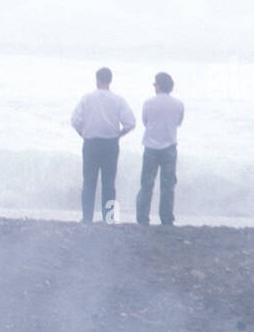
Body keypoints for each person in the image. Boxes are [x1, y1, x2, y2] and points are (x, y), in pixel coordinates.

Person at [71, 67, 135, 223]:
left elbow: (75, 121)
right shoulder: (118, 100)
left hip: (91, 142)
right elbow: (130, 123)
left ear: (97, 80)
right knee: (109, 182)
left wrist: (83, 133)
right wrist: (119, 135)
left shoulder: (87, 98)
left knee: (89, 181)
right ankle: (109, 218)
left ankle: (87, 218)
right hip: (110, 143)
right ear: (110, 80)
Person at [136, 72, 184, 226]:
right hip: (169, 146)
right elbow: (178, 122)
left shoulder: (149, 103)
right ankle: (166, 218)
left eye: (155, 84)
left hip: (151, 146)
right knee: (168, 185)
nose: (154, 86)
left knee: (146, 184)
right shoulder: (178, 104)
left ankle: (143, 217)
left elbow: (145, 121)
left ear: (159, 86)